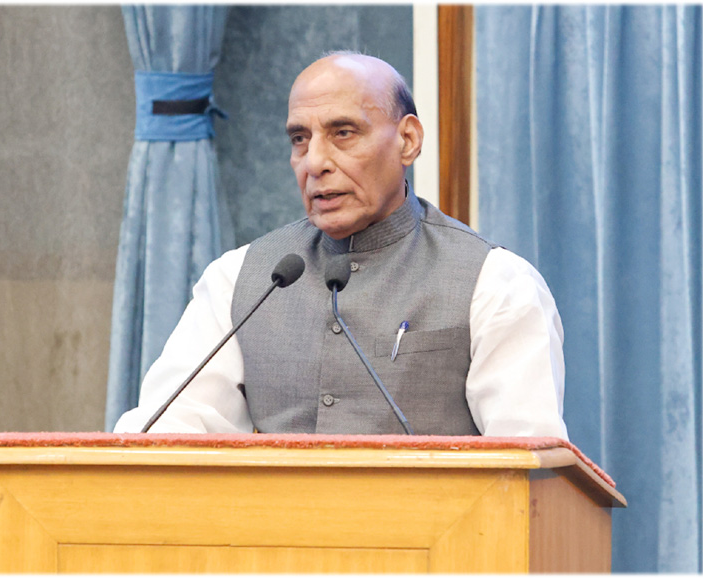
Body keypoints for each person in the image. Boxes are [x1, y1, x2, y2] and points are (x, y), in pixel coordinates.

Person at [114, 53, 568, 439]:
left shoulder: (495, 283)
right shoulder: (241, 279)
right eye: (300, 139)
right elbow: (168, 432)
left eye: (343, 133)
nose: (315, 162)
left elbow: (528, 470)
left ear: (408, 141)